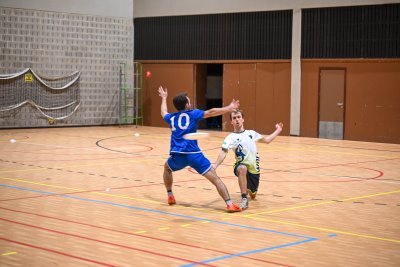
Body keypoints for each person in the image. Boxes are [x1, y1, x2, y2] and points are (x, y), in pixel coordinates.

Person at [158, 86, 242, 213]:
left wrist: (164, 98)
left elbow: (163, 112)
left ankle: (170, 195)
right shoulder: (193, 114)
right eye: (189, 101)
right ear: (186, 105)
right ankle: (229, 204)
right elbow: (212, 112)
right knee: (215, 178)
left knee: (167, 168)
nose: (190, 103)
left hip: (178, 156)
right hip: (194, 155)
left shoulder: (172, 118)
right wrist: (228, 108)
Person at [213, 109, 283, 210]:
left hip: (254, 169)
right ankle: (244, 199)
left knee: (253, 195)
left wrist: (278, 130)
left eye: (239, 117)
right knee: (242, 168)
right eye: (234, 118)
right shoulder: (230, 138)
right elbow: (223, 152)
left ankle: (249, 189)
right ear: (231, 121)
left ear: (243, 119)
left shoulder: (251, 133)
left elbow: (267, 140)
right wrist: (215, 165)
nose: (237, 120)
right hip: (241, 166)